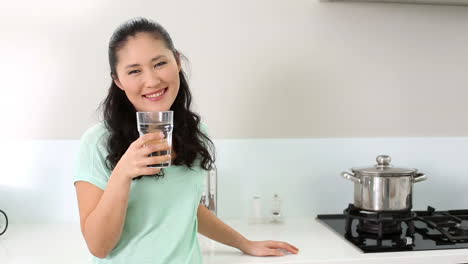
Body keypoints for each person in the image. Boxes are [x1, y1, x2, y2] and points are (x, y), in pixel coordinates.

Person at [74, 17, 299, 263]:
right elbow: (98, 246)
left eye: (159, 63)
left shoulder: (193, 130)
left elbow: (185, 208)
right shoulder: (98, 142)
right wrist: (122, 174)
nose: (152, 81)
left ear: (177, 61)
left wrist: (244, 243)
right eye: (134, 71)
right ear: (118, 81)